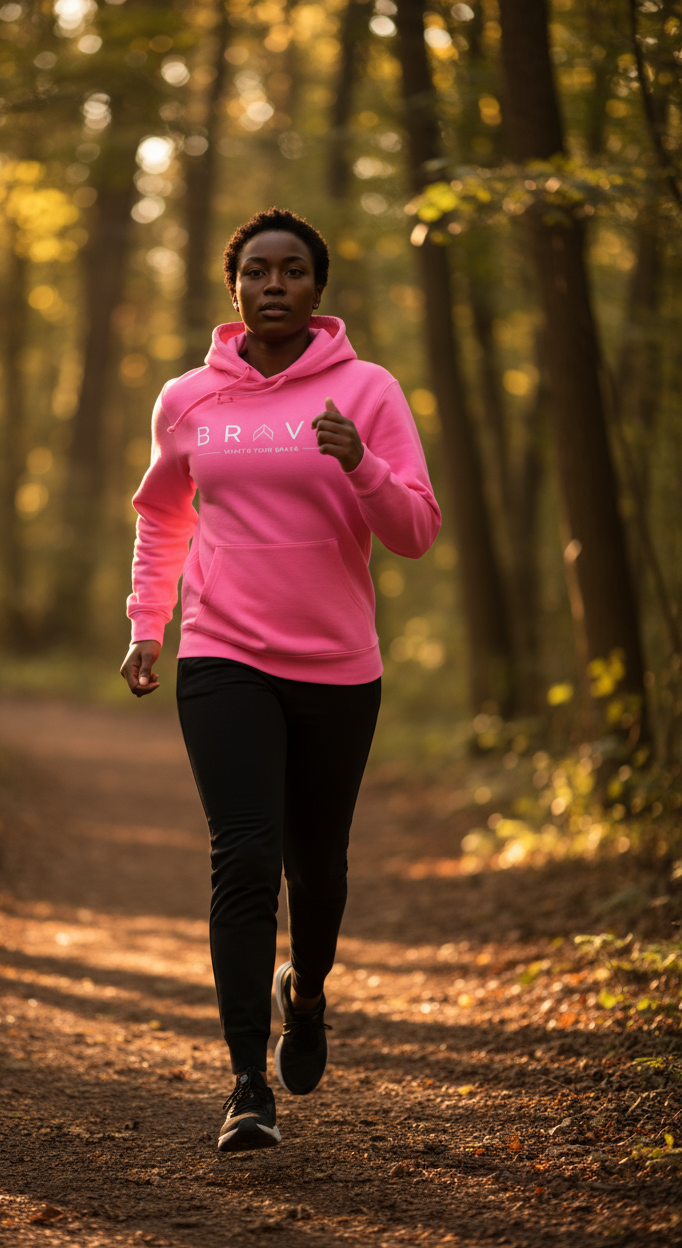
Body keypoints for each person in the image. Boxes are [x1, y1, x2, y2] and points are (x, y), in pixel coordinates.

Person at [121, 207, 440, 1152]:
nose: (273, 285)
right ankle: (246, 1084)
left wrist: (363, 464)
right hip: (223, 654)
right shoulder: (187, 399)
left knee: (320, 869)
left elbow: (417, 531)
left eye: (292, 270)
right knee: (246, 858)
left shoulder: (369, 391)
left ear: (316, 288)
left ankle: (305, 990)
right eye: (257, 270)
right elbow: (162, 519)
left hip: (338, 664)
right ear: (234, 288)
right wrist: (148, 626)